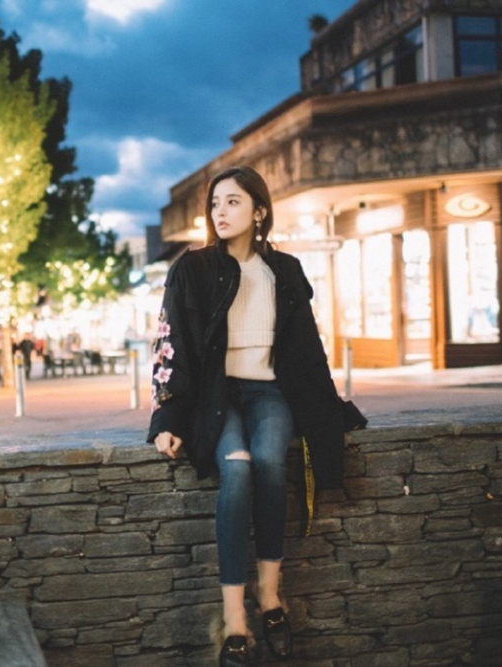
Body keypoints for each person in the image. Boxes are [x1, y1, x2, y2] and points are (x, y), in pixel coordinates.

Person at [146, 166, 366, 666]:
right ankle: (233, 620)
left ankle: (270, 596)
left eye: (233, 202)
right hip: (216, 396)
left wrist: (329, 410)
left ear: (259, 211)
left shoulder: (284, 270)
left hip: (269, 391)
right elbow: (171, 344)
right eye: (216, 204)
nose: (220, 212)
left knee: (270, 460)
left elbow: (307, 350)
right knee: (239, 467)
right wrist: (168, 419)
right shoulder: (193, 268)